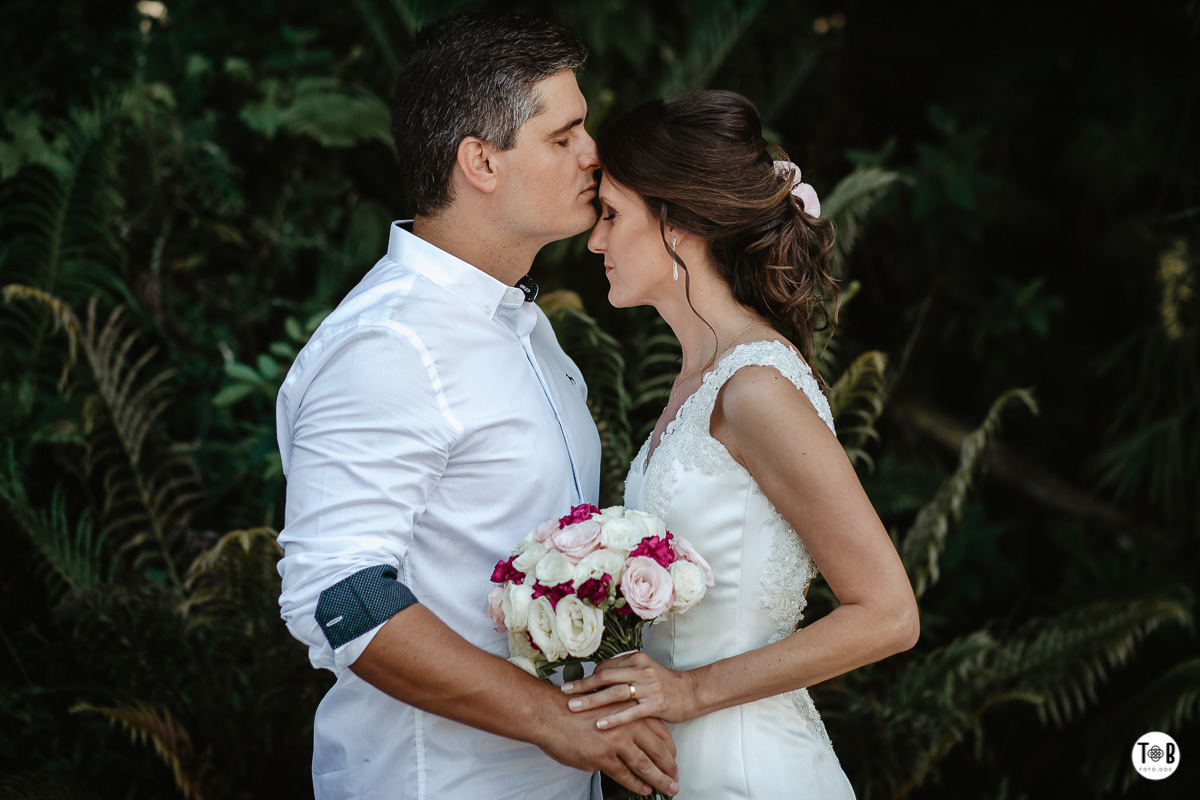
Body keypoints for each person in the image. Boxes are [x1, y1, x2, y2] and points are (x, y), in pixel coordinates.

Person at [275, 13, 678, 800]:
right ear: (481, 162)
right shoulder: (388, 346)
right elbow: (337, 591)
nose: (594, 154)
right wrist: (548, 717)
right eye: (564, 138)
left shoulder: (527, 330)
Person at [563, 90, 920, 798]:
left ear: (677, 225)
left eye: (611, 215)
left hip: (754, 771)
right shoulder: (696, 383)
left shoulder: (755, 389)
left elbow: (888, 613)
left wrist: (689, 693)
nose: (595, 240)